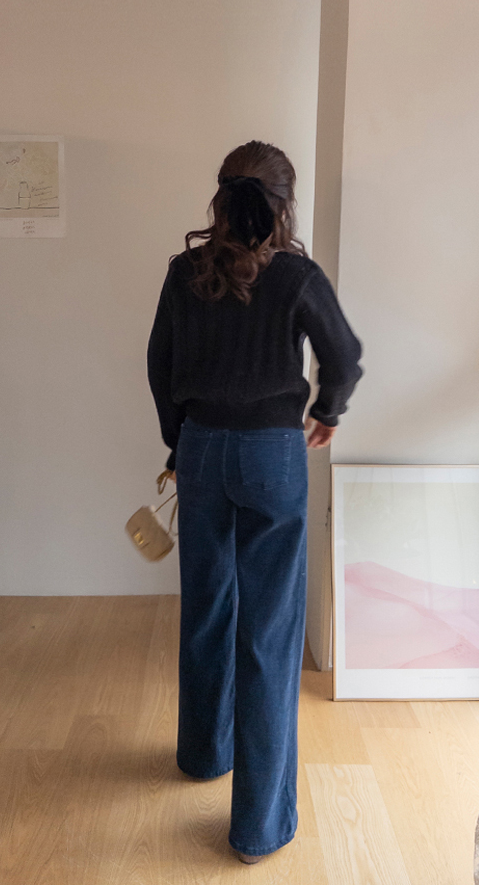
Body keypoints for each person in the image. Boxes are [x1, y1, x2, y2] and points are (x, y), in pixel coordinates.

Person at [147, 140, 362, 864]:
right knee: (269, 632)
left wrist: (179, 442)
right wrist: (327, 412)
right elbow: (343, 356)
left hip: (202, 449)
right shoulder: (297, 275)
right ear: (283, 203)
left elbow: (159, 363)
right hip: (274, 455)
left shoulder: (184, 272)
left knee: (207, 605)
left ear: (220, 197)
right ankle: (257, 830)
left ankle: (203, 754)